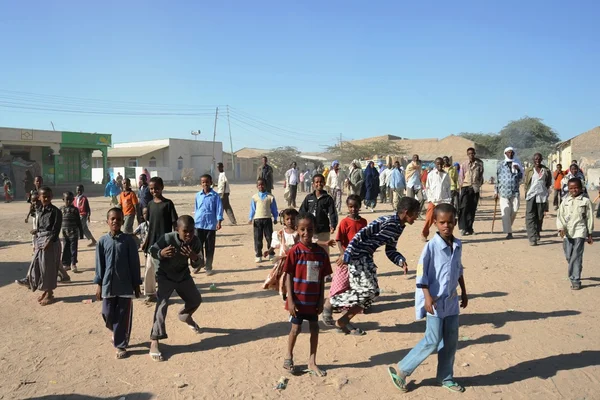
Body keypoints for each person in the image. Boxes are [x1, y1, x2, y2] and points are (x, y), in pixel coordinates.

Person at [388, 203, 468, 394]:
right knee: (432, 340)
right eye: (442, 222)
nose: (446, 226)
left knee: (450, 341)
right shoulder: (431, 248)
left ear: (455, 222)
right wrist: (427, 297)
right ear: (434, 223)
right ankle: (401, 370)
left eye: (450, 222)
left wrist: (464, 292)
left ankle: (445, 376)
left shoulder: (457, 245)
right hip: (436, 302)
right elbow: (421, 276)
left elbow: (458, 270)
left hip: (452, 302)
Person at [329, 197, 420, 334]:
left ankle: (343, 321)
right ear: (407, 212)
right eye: (416, 213)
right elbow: (359, 236)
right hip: (357, 257)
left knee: (373, 293)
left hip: (367, 258)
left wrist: (400, 261)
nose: (417, 217)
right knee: (367, 291)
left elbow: (390, 249)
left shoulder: (398, 228)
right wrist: (347, 255)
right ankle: (331, 302)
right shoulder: (385, 221)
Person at [282, 213, 332, 377]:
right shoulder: (295, 252)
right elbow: (288, 274)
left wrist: (320, 299)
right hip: (298, 300)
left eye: (309, 230)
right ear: (297, 230)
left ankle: (312, 361)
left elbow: (322, 279)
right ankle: (288, 356)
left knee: (315, 329)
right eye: (302, 229)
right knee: (295, 329)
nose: (306, 233)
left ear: (314, 230)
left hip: (313, 300)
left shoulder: (321, 253)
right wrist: (290, 299)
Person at [149, 215, 204, 362]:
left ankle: (185, 316)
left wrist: (194, 257)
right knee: (162, 306)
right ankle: (155, 340)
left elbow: (198, 263)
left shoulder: (195, 241)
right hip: (165, 276)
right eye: (185, 231)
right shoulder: (167, 239)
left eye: (192, 231)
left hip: (183, 275)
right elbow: (152, 250)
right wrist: (161, 253)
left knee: (195, 300)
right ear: (177, 230)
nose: (189, 234)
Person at [94, 207, 142, 359]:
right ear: (107, 221)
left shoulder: (128, 241)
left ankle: (121, 345)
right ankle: (115, 330)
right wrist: (99, 284)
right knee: (107, 313)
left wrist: (136, 284)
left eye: (119, 219)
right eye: (112, 219)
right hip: (108, 285)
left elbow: (134, 263)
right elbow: (99, 265)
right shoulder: (102, 242)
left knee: (122, 315)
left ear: (122, 221)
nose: (115, 221)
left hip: (125, 285)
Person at [321, 194, 368, 327]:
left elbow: (365, 239)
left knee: (357, 285)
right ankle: (327, 309)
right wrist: (344, 254)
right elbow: (339, 240)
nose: (353, 209)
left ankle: (349, 308)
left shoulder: (363, 222)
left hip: (359, 259)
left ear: (360, 206)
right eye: (350, 207)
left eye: (356, 206)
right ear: (348, 207)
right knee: (339, 285)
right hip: (346, 260)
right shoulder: (344, 222)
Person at [142, 177, 178, 303]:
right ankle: (150, 293)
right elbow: (150, 226)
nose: (154, 191)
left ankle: (164, 294)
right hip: (152, 242)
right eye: (151, 189)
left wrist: (176, 240)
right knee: (149, 269)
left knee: (163, 270)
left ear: (162, 188)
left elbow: (175, 223)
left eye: (156, 188)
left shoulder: (168, 204)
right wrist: (146, 242)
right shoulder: (150, 205)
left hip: (165, 243)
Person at [27, 186, 63, 306]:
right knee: (39, 267)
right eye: (44, 196)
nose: (46, 198)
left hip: (51, 243)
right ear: (39, 197)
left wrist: (49, 241)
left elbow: (55, 229)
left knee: (49, 269)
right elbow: (42, 226)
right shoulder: (39, 210)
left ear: (52, 196)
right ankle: (44, 290)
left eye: (48, 196)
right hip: (40, 240)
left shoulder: (56, 211)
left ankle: (50, 293)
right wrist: (36, 230)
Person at [557, 178, 594, 290]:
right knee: (569, 255)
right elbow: (560, 215)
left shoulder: (586, 201)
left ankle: (575, 279)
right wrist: (560, 228)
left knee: (576, 255)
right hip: (567, 232)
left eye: (576, 187)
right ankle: (577, 266)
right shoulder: (565, 201)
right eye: (571, 188)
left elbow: (590, 217)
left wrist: (590, 233)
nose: (574, 190)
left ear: (581, 188)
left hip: (580, 230)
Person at [262, 208, 300, 296]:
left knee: (295, 277)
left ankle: (292, 294)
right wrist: (269, 251)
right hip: (283, 262)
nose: (290, 221)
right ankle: (284, 293)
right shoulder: (280, 233)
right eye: (287, 219)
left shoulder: (299, 233)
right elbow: (275, 245)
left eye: (293, 219)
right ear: (283, 220)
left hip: (296, 261)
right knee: (283, 277)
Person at [299, 174, 338, 255]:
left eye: (321, 182)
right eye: (316, 182)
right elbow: (302, 212)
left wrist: (333, 225)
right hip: (310, 230)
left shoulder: (328, 198)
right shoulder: (309, 198)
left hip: (323, 230)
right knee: (310, 251)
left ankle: (324, 266)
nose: (319, 184)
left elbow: (332, 213)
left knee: (323, 251)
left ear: (324, 183)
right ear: (313, 184)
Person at [193, 174, 223, 275]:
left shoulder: (215, 196)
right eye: (203, 182)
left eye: (207, 182)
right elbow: (196, 209)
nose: (205, 184)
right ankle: (199, 264)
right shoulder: (198, 195)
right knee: (198, 246)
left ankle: (208, 266)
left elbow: (219, 209)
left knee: (209, 247)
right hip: (199, 224)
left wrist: (219, 221)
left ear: (211, 182)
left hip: (210, 225)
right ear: (201, 183)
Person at [494, 147, 523, 239]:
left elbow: (521, 178)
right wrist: (496, 191)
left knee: (515, 210)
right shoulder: (500, 164)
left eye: (512, 152)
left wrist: (518, 170)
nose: (510, 154)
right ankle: (509, 232)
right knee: (505, 212)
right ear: (505, 153)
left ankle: (507, 226)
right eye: (508, 153)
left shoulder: (517, 163)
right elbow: (497, 178)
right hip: (503, 192)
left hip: (515, 191)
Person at [524, 153, 552, 246]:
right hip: (531, 195)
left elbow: (548, 183)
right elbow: (526, 183)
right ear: (533, 159)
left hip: (542, 196)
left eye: (539, 159)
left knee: (539, 216)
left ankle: (537, 232)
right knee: (530, 216)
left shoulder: (546, 170)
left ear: (542, 159)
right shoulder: (529, 170)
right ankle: (532, 238)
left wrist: (545, 191)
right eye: (535, 159)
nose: (537, 161)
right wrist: (526, 193)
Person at [249, 178, 278, 263]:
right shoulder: (254, 197)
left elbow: (274, 208)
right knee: (258, 238)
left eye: (262, 184)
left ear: (265, 185)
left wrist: (275, 217)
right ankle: (258, 255)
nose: (261, 186)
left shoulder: (270, 197)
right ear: (257, 186)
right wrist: (250, 218)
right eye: (259, 185)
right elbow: (252, 209)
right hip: (257, 220)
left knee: (269, 238)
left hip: (267, 219)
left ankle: (271, 253)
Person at [422, 158, 452, 241]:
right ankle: (424, 234)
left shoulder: (446, 175)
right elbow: (427, 188)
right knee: (429, 218)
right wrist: (430, 199)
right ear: (435, 164)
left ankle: (445, 236)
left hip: (444, 200)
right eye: (438, 164)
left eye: (441, 164)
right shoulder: (431, 174)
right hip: (434, 200)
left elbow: (448, 188)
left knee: (444, 220)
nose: (439, 166)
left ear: (443, 164)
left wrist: (449, 199)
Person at [458, 147, 484, 236]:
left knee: (472, 209)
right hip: (466, 187)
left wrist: (478, 184)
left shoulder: (479, 163)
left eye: (472, 153)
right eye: (469, 154)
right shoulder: (464, 164)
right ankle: (463, 228)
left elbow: (481, 176)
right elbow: (461, 177)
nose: (471, 155)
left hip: (475, 188)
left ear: (475, 153)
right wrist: (461, 188)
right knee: (464, 208)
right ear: (467, 154)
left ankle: (470, 228)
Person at [60, 191, 83, 274]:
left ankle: (73, 264)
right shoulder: (61, 209)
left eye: (70, 200)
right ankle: (66, 264)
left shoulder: (75, 210)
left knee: (73, 249)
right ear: (63, 199)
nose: (69, 201)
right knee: (65, 248)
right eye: (67, 200)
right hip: (65, 234)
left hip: (74, 233)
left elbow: (78, 222)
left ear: (73, 199)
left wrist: (81, 232)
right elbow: (58, 222)